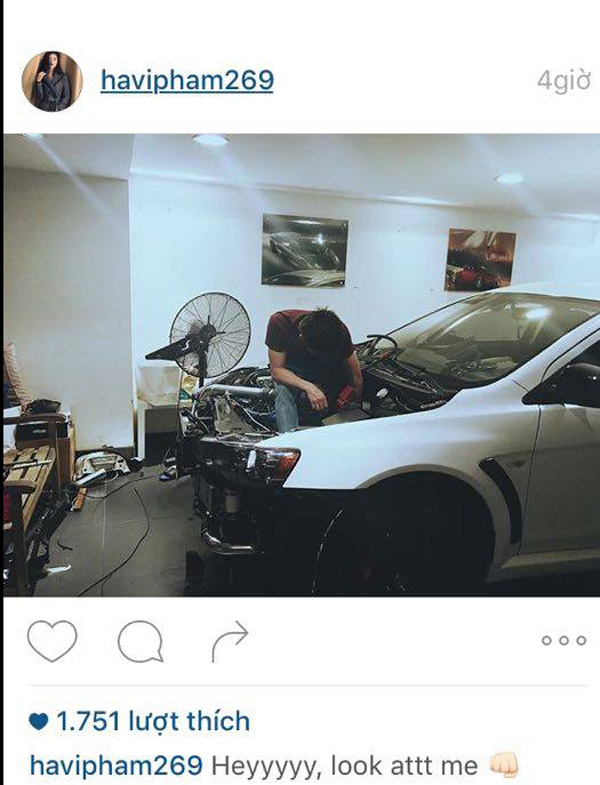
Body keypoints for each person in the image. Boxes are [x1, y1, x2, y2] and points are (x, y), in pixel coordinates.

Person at [266, 308, 363, 432]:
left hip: (326, 371)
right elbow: (277, 370)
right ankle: (288, 437)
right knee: (282, 389)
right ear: (301, 338)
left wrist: (356, 407)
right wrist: (309, 387)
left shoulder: (339, 331)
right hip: (294, 371)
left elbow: (356, 377)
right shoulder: (280, 322)